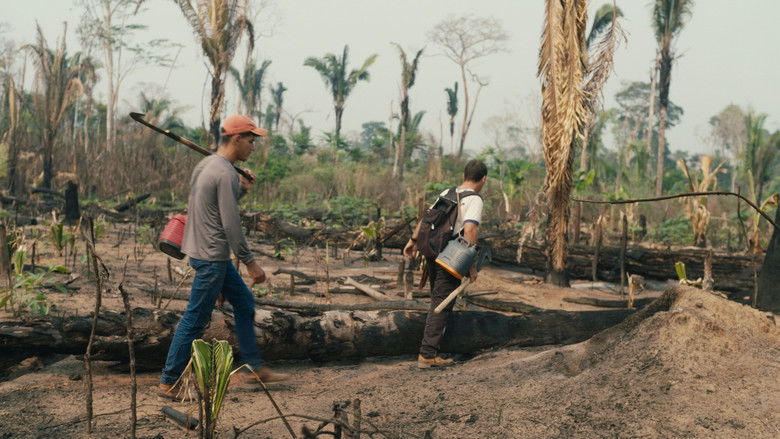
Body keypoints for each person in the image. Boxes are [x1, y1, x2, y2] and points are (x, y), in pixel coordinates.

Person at [158, 115, 287, 398]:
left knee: (244, 303)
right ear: (236, 139)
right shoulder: (225, 172)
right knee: (195, 319)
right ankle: (169, 381)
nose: (253, 147)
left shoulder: (207, 165)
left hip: (203, 252)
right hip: (212, 257)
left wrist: (241, 189)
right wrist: (250, 262)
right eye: (251, 141)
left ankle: (253, 367)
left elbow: (214, 207)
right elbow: (230, 223)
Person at [404, 160, 488, 368]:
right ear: (483, 179)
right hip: (451, 258)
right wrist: (470, 264)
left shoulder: (448, 192)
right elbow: (470, 230)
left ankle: (433, 347)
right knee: (440, 304)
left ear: (464, 175)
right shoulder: (474, 199)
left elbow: (426, 219)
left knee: (438, 299)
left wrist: (413, 241)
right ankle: (427, 354)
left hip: (432, 252)